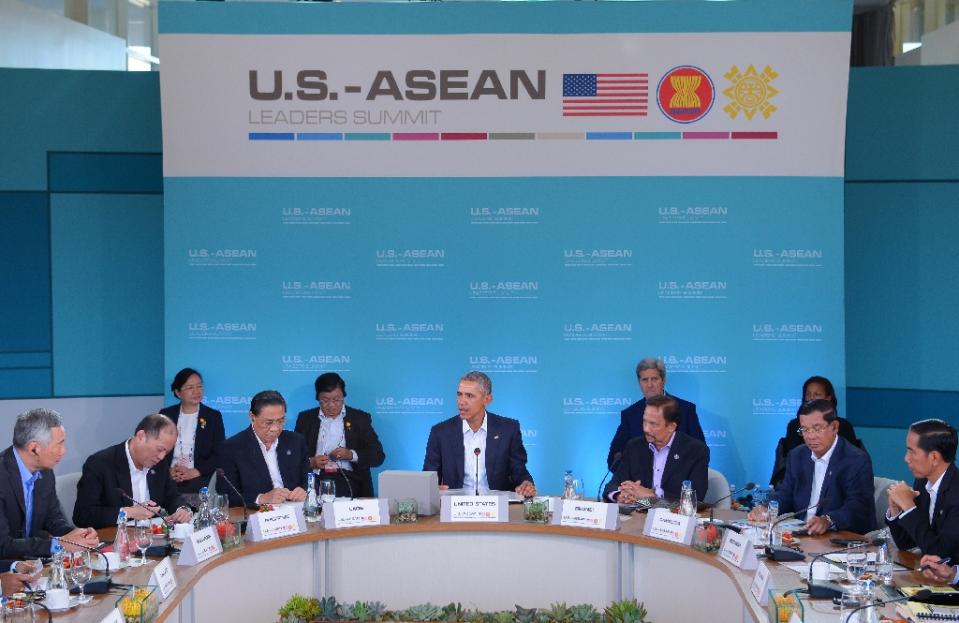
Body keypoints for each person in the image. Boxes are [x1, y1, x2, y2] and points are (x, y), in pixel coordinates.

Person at [749, 399, 875, 535]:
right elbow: (785, 494)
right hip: (802, 534)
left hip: (840, 537)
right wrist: (766, 508)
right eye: (805, 430)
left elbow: (858, 506)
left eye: (817, 429)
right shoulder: (797, 456)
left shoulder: (855, 459)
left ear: (834, 427)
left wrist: (828, 520)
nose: (810, 436)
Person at [0, 408, 99, 559]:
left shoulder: (45, 471)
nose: (63, 451)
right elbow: (3, 545)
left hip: (33, 562)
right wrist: (58, 545)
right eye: (59, 444)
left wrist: (76, 535)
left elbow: (53, 518)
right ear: (34, 448)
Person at [423, 371, 536, 497]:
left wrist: (525, 484)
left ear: (487, 399)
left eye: (469, 396)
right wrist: (432, 489)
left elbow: (518, 470)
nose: (461, 402)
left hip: (498, 504)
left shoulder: (508, 429)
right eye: (459, 394)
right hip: (455, 505)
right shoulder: (441, 433)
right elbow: (429, 476)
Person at [74, 414, 193, 529]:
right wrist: (129, 512)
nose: (161, 457)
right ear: (141, 436)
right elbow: (83, 515)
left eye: (166, 452)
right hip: (116, 538)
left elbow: (172, 496)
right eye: (159, 449)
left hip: (153, 536)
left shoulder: (159, 464)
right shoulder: (100, 464)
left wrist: (182, 510)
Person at [294, 373, 386, 498]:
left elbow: (378, 455)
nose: (331, 405)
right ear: (317, 398)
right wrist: (311, 462)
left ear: (344, 396)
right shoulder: (305, 419)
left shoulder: (359, 419)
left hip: (349, 479)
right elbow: (294, 457)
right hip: (315, 479)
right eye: (325, 400)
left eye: (336, 400)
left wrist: (350, 455)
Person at [603, 395, 709, 502]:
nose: (646, 429)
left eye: (653, 424)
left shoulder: (696, 451)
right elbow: (611, 486)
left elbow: (696, 497)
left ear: (671, 427)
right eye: (644, 422)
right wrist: (619, 494)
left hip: (673, 512)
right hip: (638, 511)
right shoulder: (634, 447)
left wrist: (654, 495)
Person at [606, 358, 705, 470]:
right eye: (644, 380)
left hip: (678, 478)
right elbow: (614, 459)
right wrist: (633, 476)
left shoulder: (685, 410)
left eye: (654, 379)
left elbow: (700, 451)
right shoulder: (630, 415)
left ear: (663, 380)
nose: (649, 385)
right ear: (639, 383)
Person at [886, 419, 959, 561]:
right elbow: (906, 543)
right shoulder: (923, 482)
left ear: (934, 457)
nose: (906, 459)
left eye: (911, 452)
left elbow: (940, 555)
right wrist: (896, 510)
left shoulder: (956, 494)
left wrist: (909, 507)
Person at [770, 375, 863, 486]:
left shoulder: (843, 425)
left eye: (817, 394)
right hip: (803, 479)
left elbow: (850, 458)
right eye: (808, 394)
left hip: (838, 479)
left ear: (828, 398)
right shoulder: (795, 425)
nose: (811, 398)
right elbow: (794, 455)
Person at [220, 390, 309, 505]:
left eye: (280, 421)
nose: (275, 428)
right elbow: (227, 495)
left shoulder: (296, 441)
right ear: (252, 417)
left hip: (294, 509)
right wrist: (261, 498)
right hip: (257, 512)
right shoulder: (232, 447)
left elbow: (309, 478)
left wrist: (305, 490)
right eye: (268, 423)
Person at [159, 368, 225, 493]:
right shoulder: (166, 415)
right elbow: (156, 448)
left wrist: (195, 472)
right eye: (190, 387)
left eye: (199, 386)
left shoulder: (213, 416)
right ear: (178, 393)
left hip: (199, 477)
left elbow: (219, 453)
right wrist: (168, 471)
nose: (196, 391)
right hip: (169, 476)